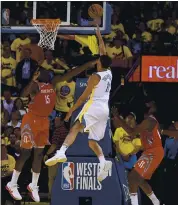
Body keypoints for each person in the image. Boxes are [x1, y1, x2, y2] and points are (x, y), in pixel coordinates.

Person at [6, 57, 98, 202]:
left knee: (38, 154)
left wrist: (90, 63)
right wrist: (31, 80)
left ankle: (33, 185)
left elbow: (73, 72)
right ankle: (12, 183)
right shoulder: (35, 86)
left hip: (44, 121)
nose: (43, 72)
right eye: (39, 71)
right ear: (35, 74)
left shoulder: (53, 82)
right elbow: (23, 94)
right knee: (25, 153)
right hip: (31, 120)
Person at [45, 26, 113, 182]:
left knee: (75, 127)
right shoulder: (109, 73)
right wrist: (98, 35)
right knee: (91, 141)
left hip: (94, 106)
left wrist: (70, 112)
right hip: (104, 110)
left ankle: (62, 152)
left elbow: (82, 98)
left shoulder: (95, 76)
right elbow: (102, 51)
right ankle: (103, 163)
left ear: (99, 63)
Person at [112, 102, 164, 205]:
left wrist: (117, 116)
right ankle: (157, 202)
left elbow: (131, 131)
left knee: (132, 177)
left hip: (154, 152)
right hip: (150, 151)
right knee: (138, 180)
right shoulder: (147, 123)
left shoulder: (149, 120)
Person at [44, 115, 68, 199]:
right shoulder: (66, 131)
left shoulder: (58, 131)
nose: (54, 123)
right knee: (61, 178)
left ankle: (52, 196)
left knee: (51, 178)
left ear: (62, 122)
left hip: (55, 157)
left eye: (56, 121)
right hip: (64, 158)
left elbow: (54, 145)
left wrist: (47, 154)